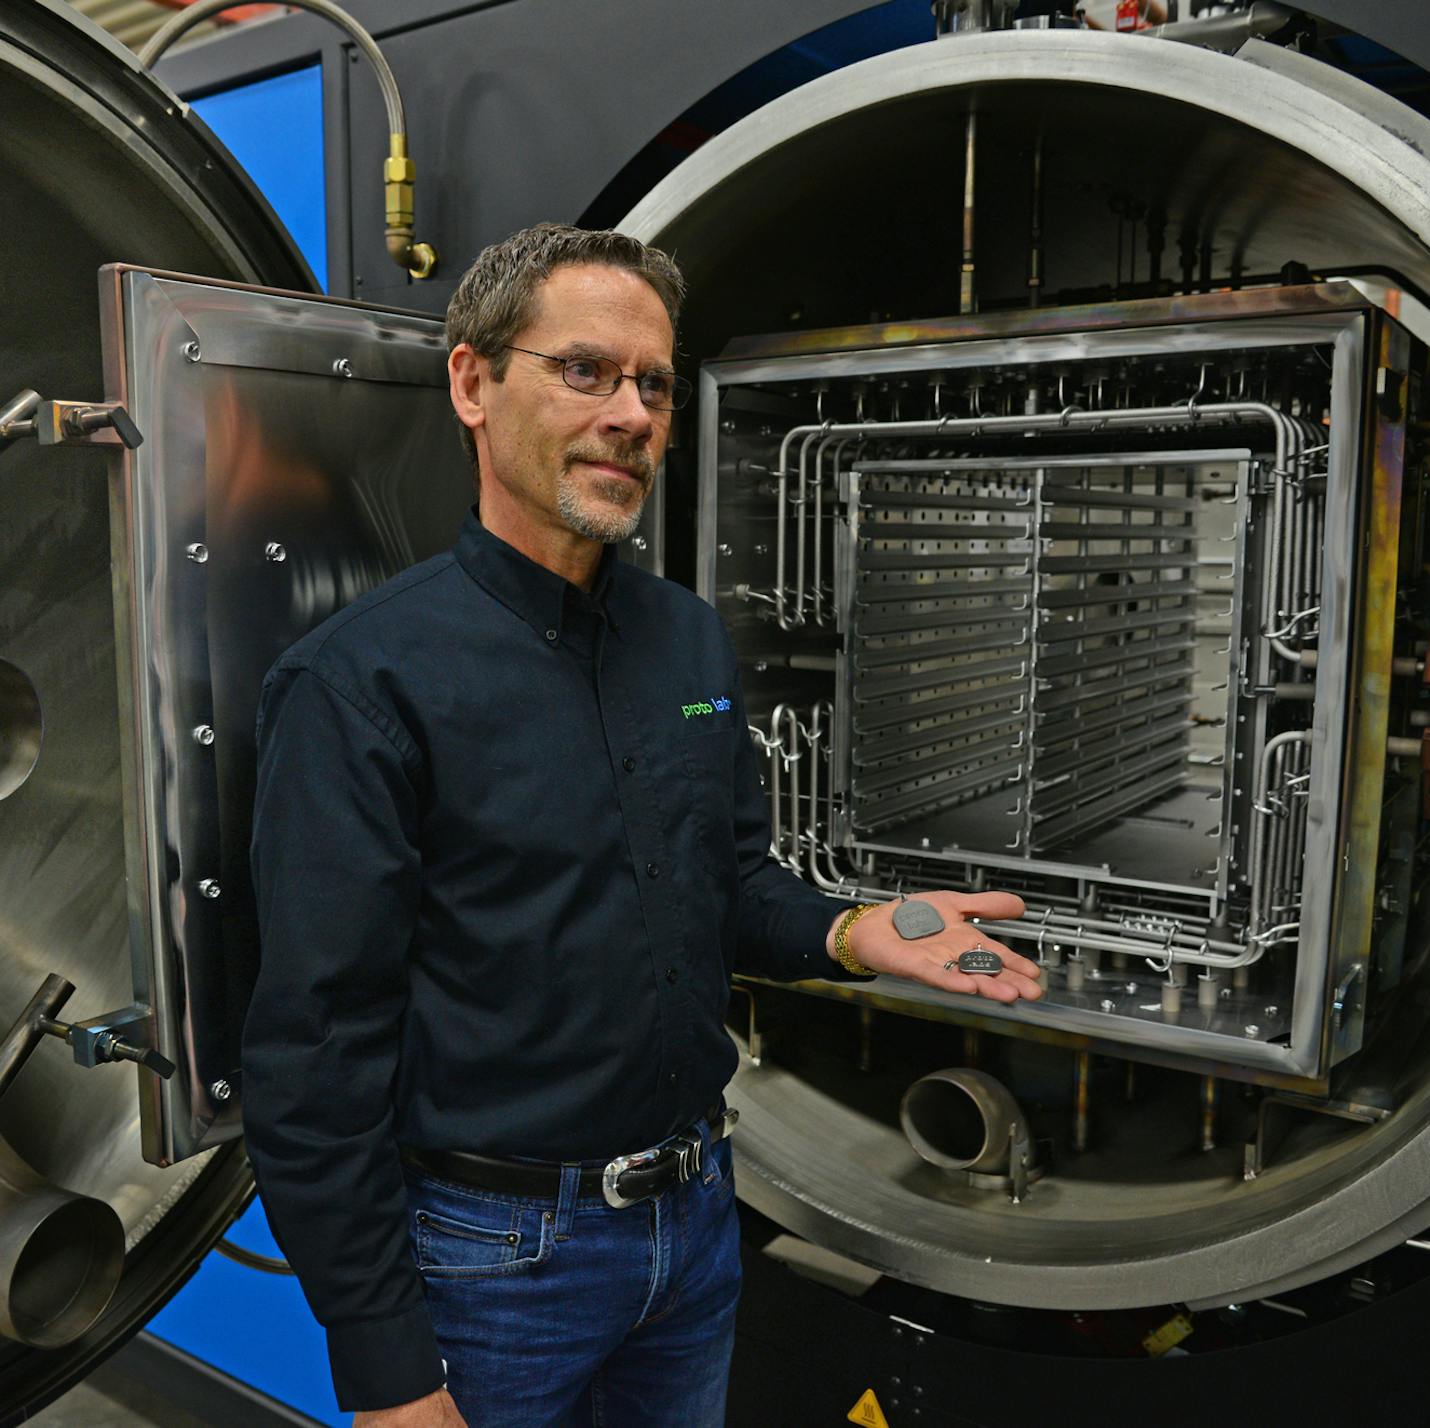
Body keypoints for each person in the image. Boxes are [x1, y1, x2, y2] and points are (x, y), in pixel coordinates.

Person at [245, 223, 1040, 1428]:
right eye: (585, 371)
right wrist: (387, 1369)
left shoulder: (687, 640)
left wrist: (855, 931)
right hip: (495, 1261)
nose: (629, 413)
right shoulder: (362, 685)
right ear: (472, 381)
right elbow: (314, 1058)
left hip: (694, 1228)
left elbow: (730, 884)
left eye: (653, 385)